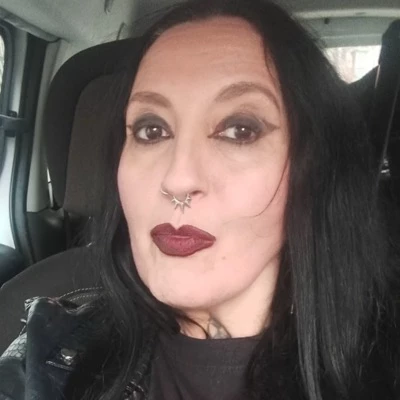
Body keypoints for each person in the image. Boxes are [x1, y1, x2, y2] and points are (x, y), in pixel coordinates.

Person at [0, 0, 399, 399]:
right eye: (151, 130)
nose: (177, 180)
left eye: (240, 130)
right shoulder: (48, 350)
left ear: (312, 168)